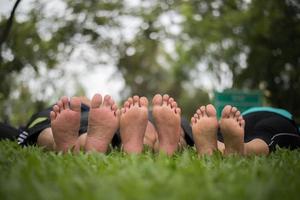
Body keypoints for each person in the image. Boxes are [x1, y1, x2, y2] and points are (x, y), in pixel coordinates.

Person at [18, 93, 193, 155]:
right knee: (151, 128)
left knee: (46, 130)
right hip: (132, 123)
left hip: (93, 122)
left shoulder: (68, 107)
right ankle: (169, 145)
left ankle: (65, 145)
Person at [191, 104, 300, 156]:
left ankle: (213, 146)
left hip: (246, 117)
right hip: (279, 117)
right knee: (267, 133)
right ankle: (242, 150)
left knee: (222, 133)